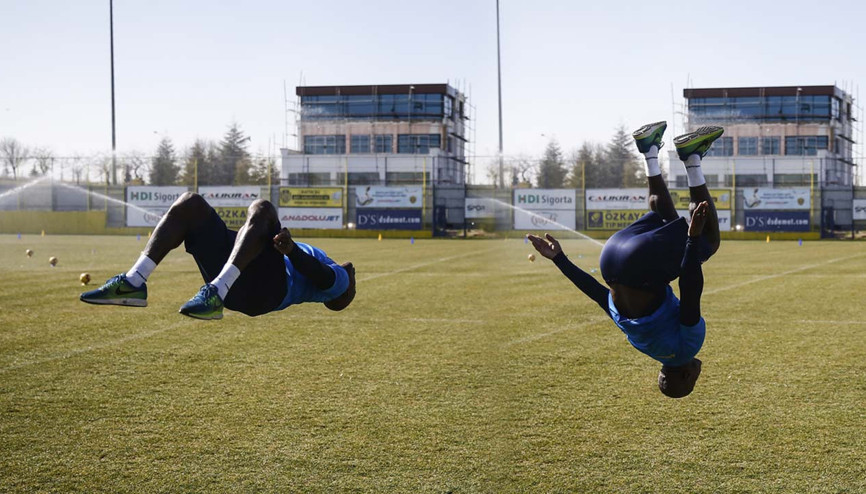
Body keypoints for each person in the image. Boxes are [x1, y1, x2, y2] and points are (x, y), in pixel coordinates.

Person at [528, 122, 723, 398]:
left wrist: (693, 239)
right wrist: (559, 259)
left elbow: (691, 290)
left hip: (639, 265)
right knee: (665, 217)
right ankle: (649, 150)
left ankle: (691, 157)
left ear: (687, 374)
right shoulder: (643, 344)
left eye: (694, 380)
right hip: (611, 258)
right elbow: (599, 295)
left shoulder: (687, 348)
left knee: (710, 241)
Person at [80, 193, 355, 320]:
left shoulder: (337, 282)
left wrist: (292, 250)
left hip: (266, 291)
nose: (352, 270)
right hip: (242, 281)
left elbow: (320, 275)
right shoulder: (319, 260)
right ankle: (134, 281)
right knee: (191, 205)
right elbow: (250, 244)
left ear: (342, 294)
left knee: (263, 208)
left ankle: (215, 292)